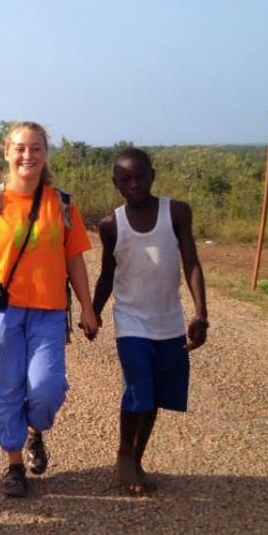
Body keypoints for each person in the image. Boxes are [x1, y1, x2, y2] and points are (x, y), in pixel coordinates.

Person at [0, 121, 99, 497]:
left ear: (45, 153)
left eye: (35, 148)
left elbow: (75, 260)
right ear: (6, 152)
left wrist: (87, 307)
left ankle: (35, 431)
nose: (27, 156)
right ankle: (14, 463)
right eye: (20, 148)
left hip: (49, 312)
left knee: (46, 389)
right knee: (6, 387)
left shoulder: (61, 204)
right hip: (1, 314)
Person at [92, 147, 208, 496]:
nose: (134, 183)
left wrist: (201, 313)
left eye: (141, 176)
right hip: (130, 322)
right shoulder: (111, 224)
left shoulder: (176, 213)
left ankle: (137, 460)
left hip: (168, 321)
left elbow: (191, 263)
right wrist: (93, 311)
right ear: (116, 183)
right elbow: (107, 274)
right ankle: (124, 458)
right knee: (139, 388)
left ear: (152, 175)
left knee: (155, 396)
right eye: (125, 178)